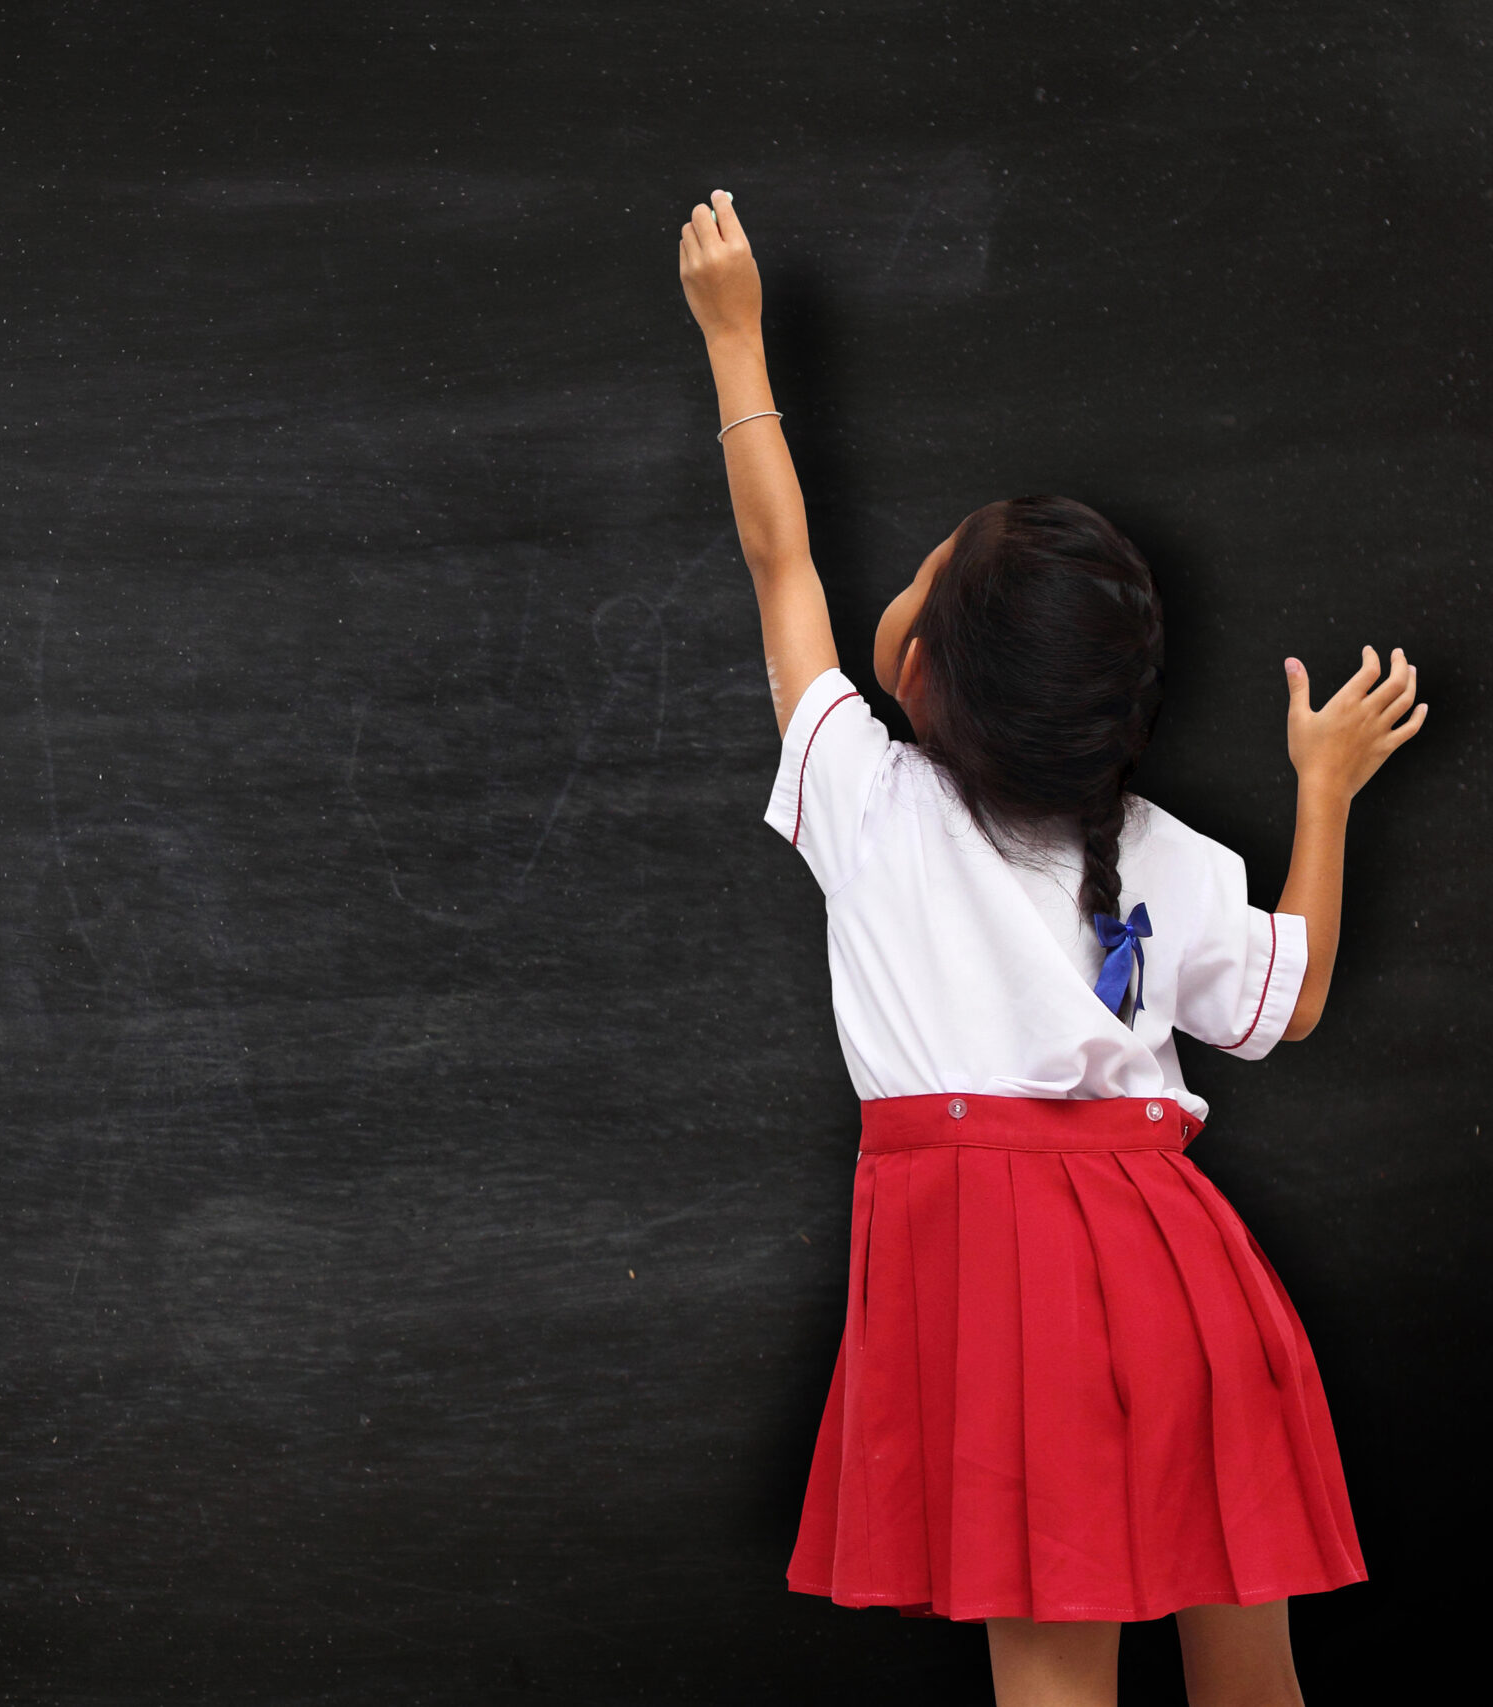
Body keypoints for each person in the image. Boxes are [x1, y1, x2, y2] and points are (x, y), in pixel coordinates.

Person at [677, 187, 1424, 1706]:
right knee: (1249, 1679)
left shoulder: (864, 796)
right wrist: (1324, 793)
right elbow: (1290, 1000)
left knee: (1057, 1686)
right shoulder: (1154, 847)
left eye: (929, 570)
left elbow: (779, 564)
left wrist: (737, 341)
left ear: (923, 665)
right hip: (1193, 1284)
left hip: (1013, 1303)